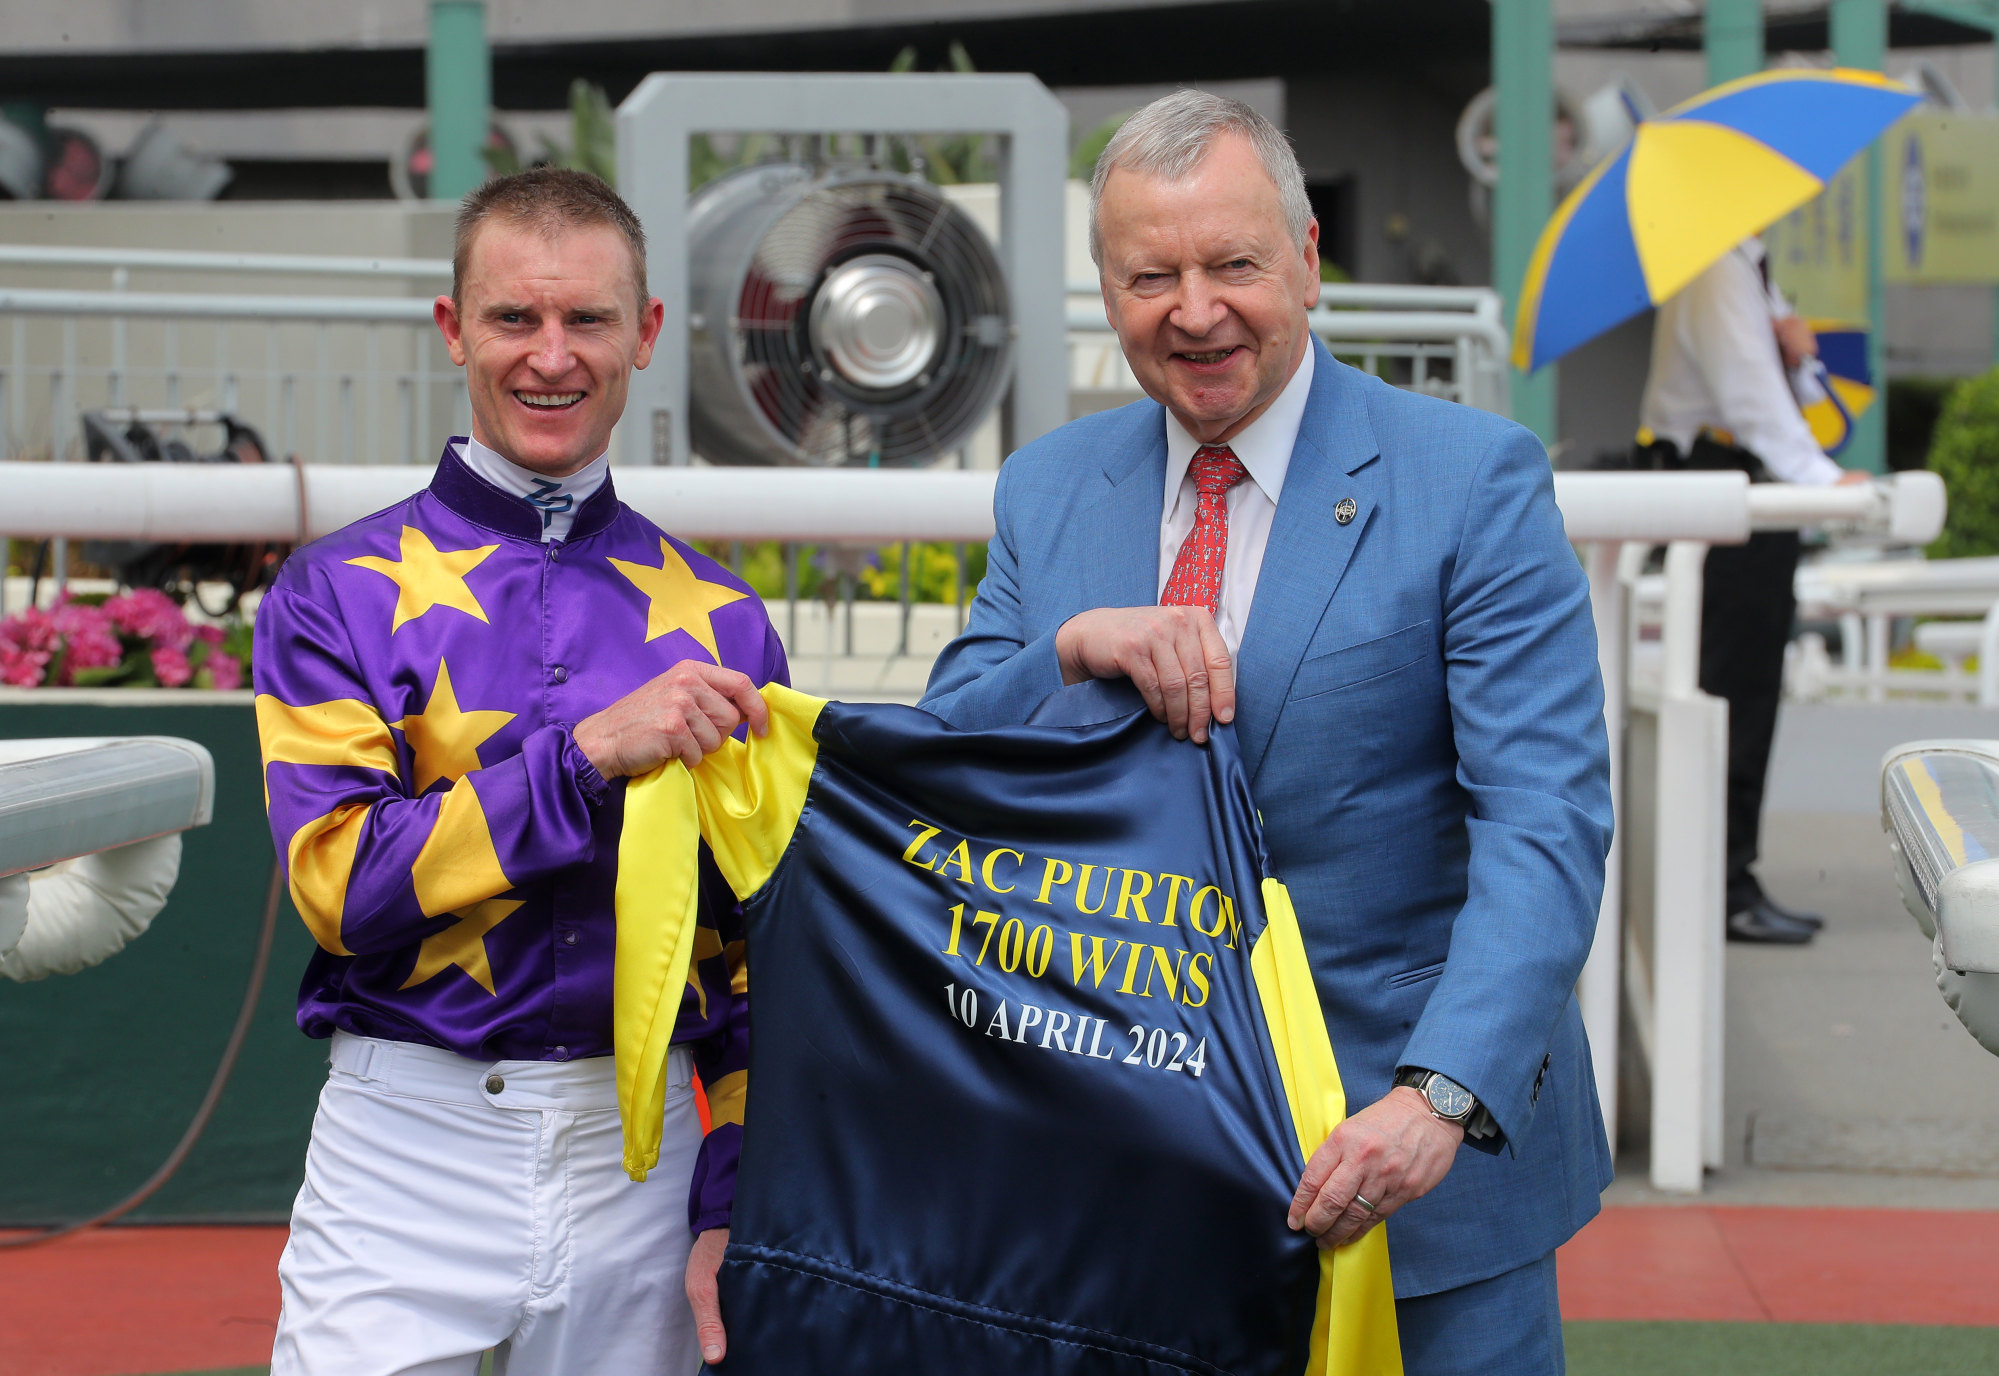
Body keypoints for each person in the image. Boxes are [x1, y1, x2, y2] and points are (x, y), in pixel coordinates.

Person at [921, 91, 1613, 1374]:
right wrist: (1075, 648)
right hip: (1127, 1176)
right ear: (1105, 289)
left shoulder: (1472, 477)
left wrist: (1437, 1094)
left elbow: (1545, 820)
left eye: (1233, 262)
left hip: (1409, 1171)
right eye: (1150, 275)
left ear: (1304, 254)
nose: (1194, 310)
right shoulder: (1050, 485)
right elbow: (946, 755)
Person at [253, 167, 782, 1374]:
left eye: (588, 319)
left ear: (645, 334)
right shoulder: (329, 591)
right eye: (513, 318)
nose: (552, 356)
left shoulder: (731, 619)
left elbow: (752, 952)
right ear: (453, 329)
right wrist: (592, 753)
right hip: (402, 1145)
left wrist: (729, 1196)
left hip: (636, 1155)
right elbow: (341, 886)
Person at [1638, 238, 1868, 946]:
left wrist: (1797, 349)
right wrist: (1823, 479)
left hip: (1739, 473)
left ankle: (1729, 877)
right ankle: (1721, 884)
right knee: (1732, 688)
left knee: (1748, 685)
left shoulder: (1744, 266)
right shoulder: (1714, 264)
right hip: (1722, 472)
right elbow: (1747, 394)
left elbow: (1777, 393)